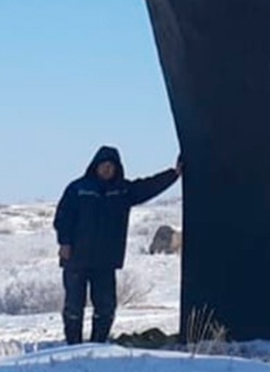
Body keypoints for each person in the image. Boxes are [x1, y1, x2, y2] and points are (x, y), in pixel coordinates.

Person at [54, 146, 181, 344]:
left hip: (105, 260)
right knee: (73, 306)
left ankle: (98, 343)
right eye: (104, 165)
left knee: (105, 306)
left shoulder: (122, 191)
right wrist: (65, 242)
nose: (107, 169)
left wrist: (173, 174)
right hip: (76, 258)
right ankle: (73, 345)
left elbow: (148, 186)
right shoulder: (78, 189)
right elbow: (63, 217)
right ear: (95, 166)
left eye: (111, 166)